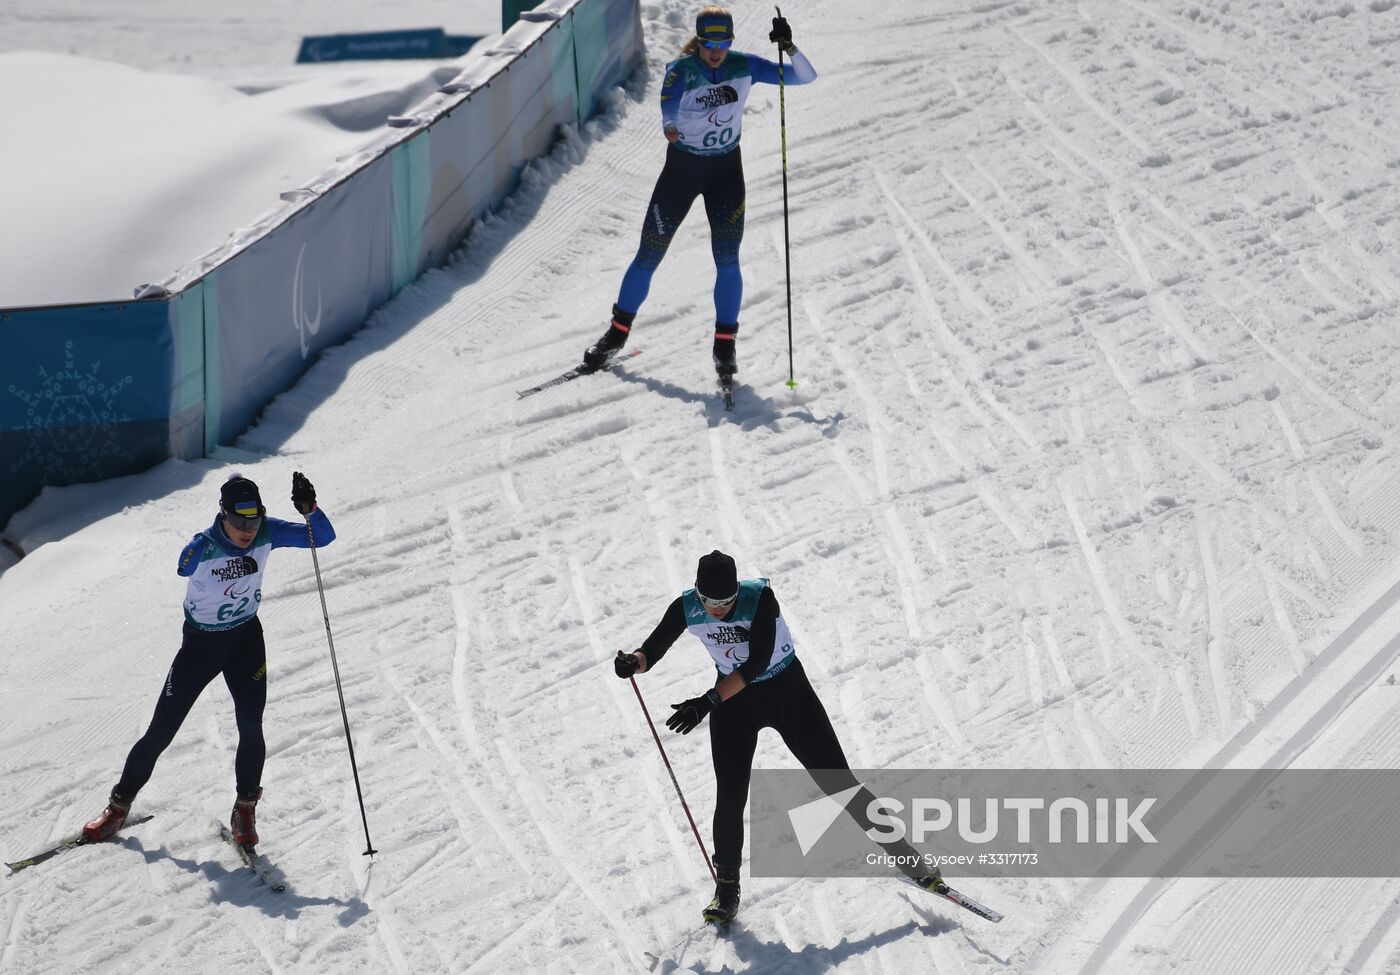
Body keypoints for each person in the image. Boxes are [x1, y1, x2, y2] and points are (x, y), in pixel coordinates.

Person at [613, 551, 943, 925]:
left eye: (724, 602)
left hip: (787, 693)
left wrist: (708, 701)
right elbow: (653, 649)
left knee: (838, 781)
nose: (716, 610)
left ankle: (905, 855)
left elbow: (755, 665)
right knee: (731, 794)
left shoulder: (760, 600)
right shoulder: (686, 607)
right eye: (709, 602)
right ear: (698, 594)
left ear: (737, 592)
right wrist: (634, 662)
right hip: (735, 704)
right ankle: (727, 889)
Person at [81, 471, 334, 848]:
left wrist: (309, 510)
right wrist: (195, 551)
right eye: (238, 521)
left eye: (254, 520)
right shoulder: (206, 544)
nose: (247, 530)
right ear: (223, 516)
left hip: (246, 641)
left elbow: (323, 538)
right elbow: (183, 565)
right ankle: (118, 807)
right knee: (161, 731)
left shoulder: (268, 532)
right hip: (200, 647)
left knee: (251, 725)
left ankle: (245, 807)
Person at [582, 6, 817, 382]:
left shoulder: (744, 66)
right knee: (648, 254)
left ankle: (725, 346)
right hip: (683, 173)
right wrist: (671, 125)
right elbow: (668, 105)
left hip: (726, 172)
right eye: (709, 43)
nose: (716, 51)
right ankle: (616, 335)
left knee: (727, 258)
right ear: (700, 42)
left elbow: (806, 77)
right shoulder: (682, 70)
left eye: (723, 43)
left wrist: (789, 47)